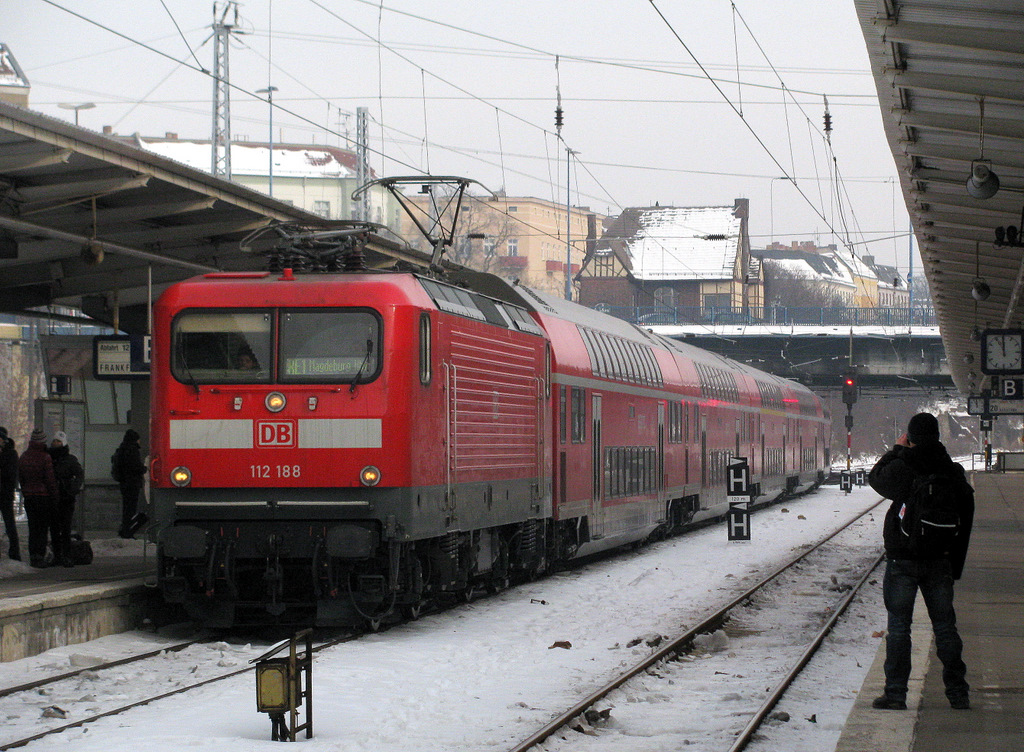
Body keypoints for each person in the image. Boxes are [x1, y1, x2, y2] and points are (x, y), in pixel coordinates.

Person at [868, 412, 974, 711]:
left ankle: (896, 695)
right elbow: (966, 517)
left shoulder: (905, 465)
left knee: (899, 627)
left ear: (911, 436)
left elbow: (876, 479)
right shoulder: (951, 470)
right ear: (938, 436)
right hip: (940, 560)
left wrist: (898, 449)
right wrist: (955, 564)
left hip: (903, 559)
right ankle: (958, 693)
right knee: (945, 627)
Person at [18, 428, 59, 568]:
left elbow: (21, 478)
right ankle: (39, 556)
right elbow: (50, 480)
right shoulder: (45, 457)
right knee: (42, 528)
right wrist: (54, 495)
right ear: (43, 441)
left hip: (29, 496)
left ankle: (33, 555)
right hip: (43, 497)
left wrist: (25, 491)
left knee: (33, 527)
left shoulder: (24, 456)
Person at [49, 431, 84, 568]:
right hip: (54, 497)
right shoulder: (49, 458)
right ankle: (58, 555)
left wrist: (72, 490)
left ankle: (66, 555)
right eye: (54, 441)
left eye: (58, 441)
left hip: (66, 498)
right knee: (54, 528)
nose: (55, 443)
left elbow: (79, 474)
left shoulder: (70, 460)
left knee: (65, 528)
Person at [112, 429, 146, 538]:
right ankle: (127, 531)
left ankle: (124, 529)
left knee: (126, 507)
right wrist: (144, 468)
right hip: (132, 483)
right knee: (131, 508)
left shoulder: (121, 449)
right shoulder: (132, 450)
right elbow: (136, 466)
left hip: (124, 483)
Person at [0, 427, 21, 560]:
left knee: (10, 524)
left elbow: (10, 474)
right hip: (4, 492)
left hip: (5, 494)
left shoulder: (10, 454)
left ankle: (15, 552)